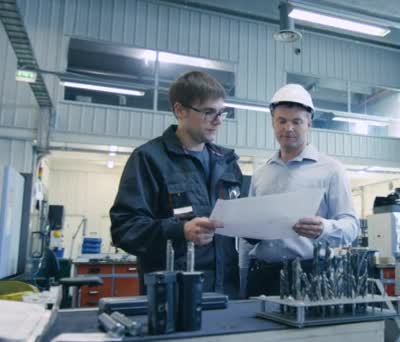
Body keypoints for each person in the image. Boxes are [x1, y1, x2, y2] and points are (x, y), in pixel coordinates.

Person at [110, 71, 242, 298]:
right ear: (180, 111)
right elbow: (125, 228)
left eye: (221, 113)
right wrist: (180, 231)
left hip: (225, 292)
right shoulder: (149, 159)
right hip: (173, 296)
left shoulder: (227, 162)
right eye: (209, 112)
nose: (218, 120)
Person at [243, 84, 360, 297]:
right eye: (282, 121)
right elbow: (249, 231)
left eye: (296, 121)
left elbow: (352, 227)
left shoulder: (331, 170)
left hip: (310, 274)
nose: (288, 128)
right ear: (273, 122)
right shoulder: (261, 173)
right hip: (262, 276)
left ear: (309, 123)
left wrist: (324, 228)